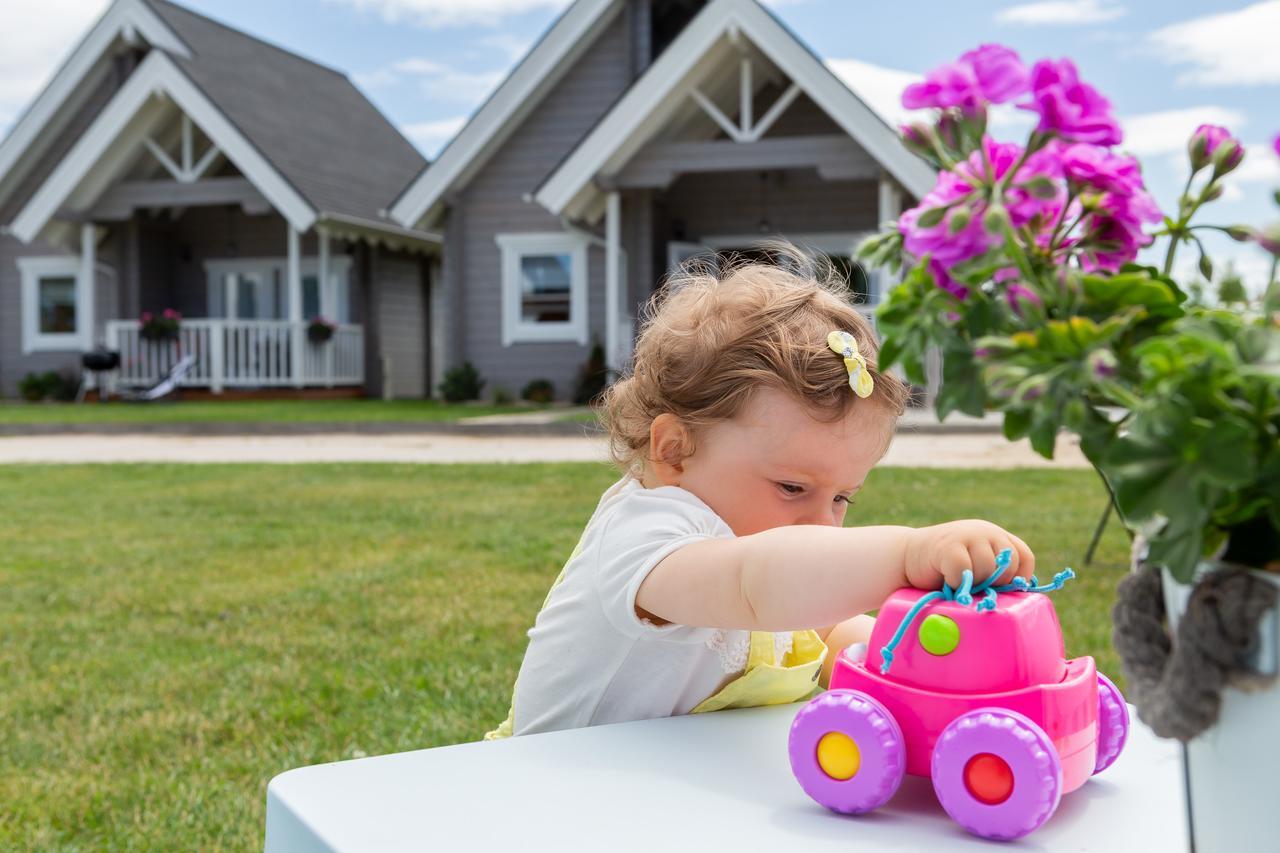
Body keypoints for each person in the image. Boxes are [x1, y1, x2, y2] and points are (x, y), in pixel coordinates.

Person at [485, 245, 1035, 739]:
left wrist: (917, 655)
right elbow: (758, 582)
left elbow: (828, 627)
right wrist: (909, 553)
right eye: (793, 487)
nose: (824, 525)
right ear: (674, 450)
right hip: (560, 794)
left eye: (842, 497)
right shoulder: (647, 536)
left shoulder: (774, 559)